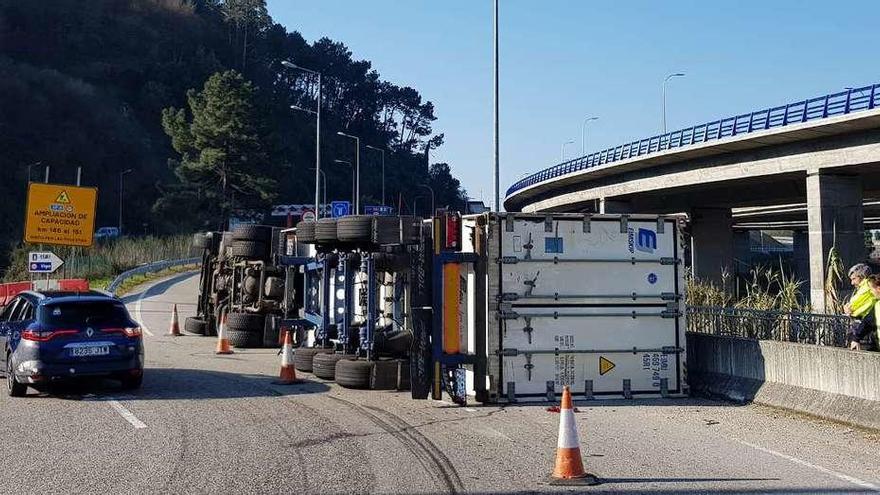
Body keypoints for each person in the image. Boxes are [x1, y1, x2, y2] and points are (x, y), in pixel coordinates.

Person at [845, 264, 875, 351]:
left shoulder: (868, 286)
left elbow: (852, 306)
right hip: (862, 328)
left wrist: (848, 308)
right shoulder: (862, 288)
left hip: (865, 329)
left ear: (862, 276)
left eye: (854, 279)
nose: (852, 283)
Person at [853, 273, 880, 351]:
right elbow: (867, 322)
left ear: (878, 288)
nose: (871, 292)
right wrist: (856, 338)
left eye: (872, 289)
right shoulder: (877, 305)